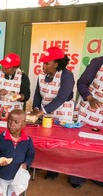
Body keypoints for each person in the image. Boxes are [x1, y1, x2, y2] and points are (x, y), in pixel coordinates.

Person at [32, 46, 75, 180]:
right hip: (46, 112)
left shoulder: (67, 76)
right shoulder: (42, 75)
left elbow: (61, 98)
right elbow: (37, 94)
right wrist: (35, 108)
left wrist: (41, 112)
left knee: (58, 144)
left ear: (56, 64)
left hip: (62, 112)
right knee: (44, 141)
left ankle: (54, 170)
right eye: (43, 63)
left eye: (47, 63)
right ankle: (41, 164)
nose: (43, 66)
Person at [69, 55, 103, 189]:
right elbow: (82, 82)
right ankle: (77, 176)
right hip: (89, 111)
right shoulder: (99, 62)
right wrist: (89, 98)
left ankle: (98, 176)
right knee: (82, 145)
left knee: (102, 148)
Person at [0, 109, 35, 196]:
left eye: (16, 122)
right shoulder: (2, 138)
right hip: (3, 173)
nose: (12, 124)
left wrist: (26, 164)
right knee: (0, 195)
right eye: (9, 121)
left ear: (23, 124)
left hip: (17, 175)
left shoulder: (27, 141)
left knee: (13, 195)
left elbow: (31, 155)